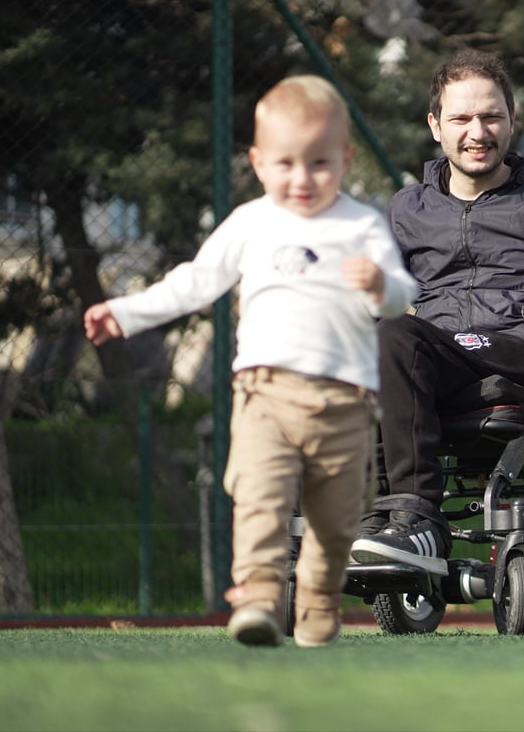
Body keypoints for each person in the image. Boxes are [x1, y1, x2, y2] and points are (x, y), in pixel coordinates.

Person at [83, 75, 418, 648]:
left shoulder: (362, 225)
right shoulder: (250, 222)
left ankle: (317, 595)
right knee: (259, 496)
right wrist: (127, 312)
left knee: (337, 523)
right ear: (258, 162)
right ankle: (260, 595)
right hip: (264, 393)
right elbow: (194, 282)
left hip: (344, 404)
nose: (302, 178)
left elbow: (405, 296)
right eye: (285, 163)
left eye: (318, 163)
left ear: (346, 158)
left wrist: (380, 284)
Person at [349, 49, 524, 573]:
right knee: (366, 339)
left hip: (520, 356)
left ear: (512, 121)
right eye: (460, 118)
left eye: (490, 117)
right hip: (431, 362)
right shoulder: (406, 209)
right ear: (436, 126)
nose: (476, 132)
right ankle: (378, 517)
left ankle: (416, 520)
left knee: (393, 335)